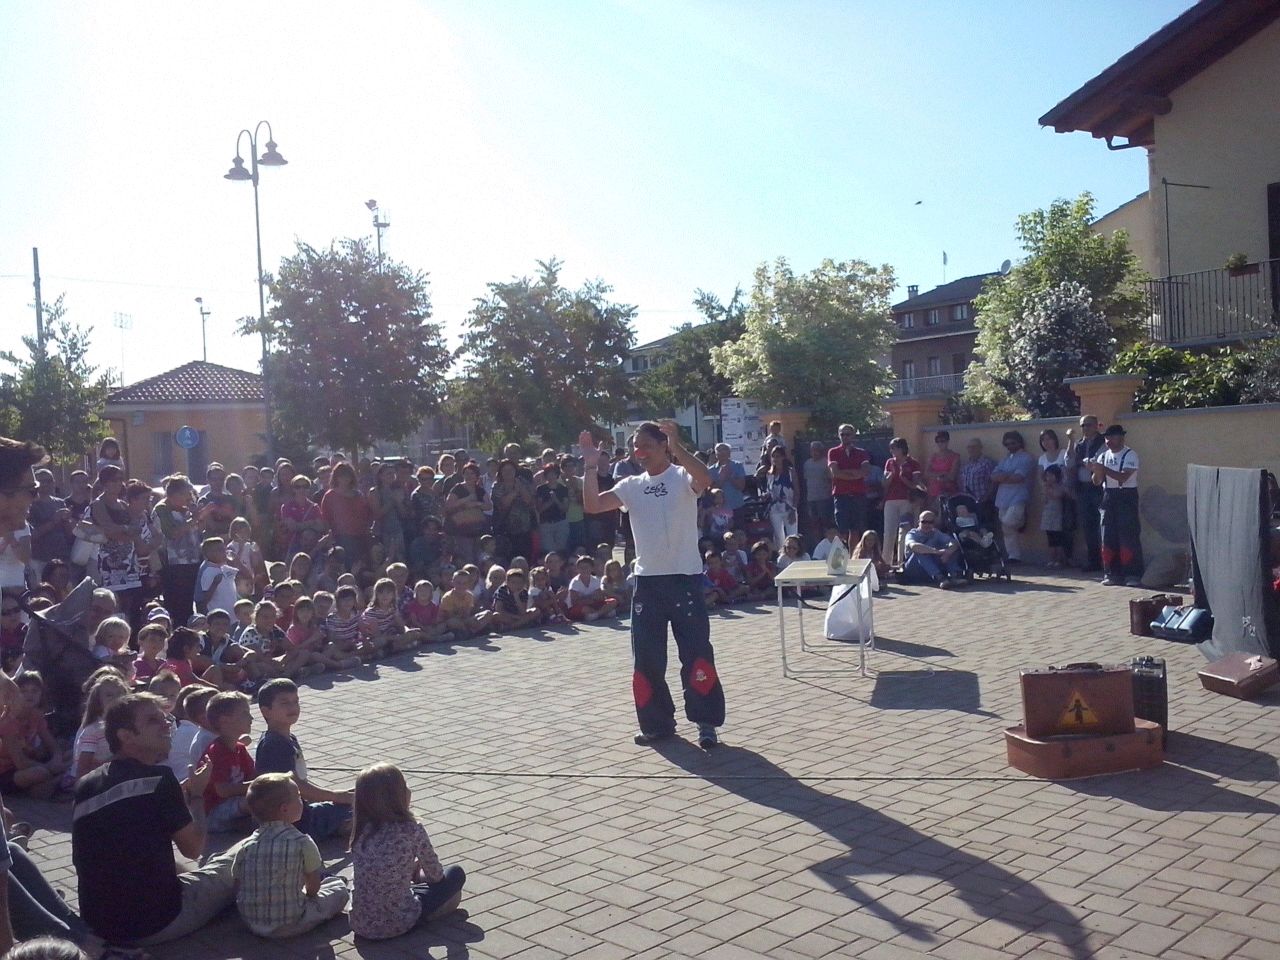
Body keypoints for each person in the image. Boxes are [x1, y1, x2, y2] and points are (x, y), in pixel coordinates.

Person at [581, 421, 724, 749]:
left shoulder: (681, 477)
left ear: (663, 446)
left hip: (685, 579)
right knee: (647, 659)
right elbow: (593, 505)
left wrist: (678, 446)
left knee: (696, 653)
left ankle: (706, 722)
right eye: (636, 446)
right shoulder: (631, 485)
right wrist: (589, 466)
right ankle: (657, 724)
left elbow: (705, 479)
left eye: (647, 445)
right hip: (648, 583)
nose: (640, 452)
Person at [72, 693, 238, 946]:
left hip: (100, 923)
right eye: (153, 721)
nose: (166, 726)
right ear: (125, 736)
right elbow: (194, 848)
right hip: (156, 922)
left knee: (174, 867)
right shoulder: (159, 779)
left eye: (166, 718)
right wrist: (197, 794)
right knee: (240, 855)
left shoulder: (86, 784)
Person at [348, 762, 465, 940]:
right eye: (405, 786)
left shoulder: (361, 829)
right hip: (399, 922)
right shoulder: (412, 829)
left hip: (360, 923)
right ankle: (429, 912)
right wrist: (418, 872)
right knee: (455, 873)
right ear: (397, 797)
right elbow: (436, 876)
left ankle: (412, 882)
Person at [232, 773, 350, 939]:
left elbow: (237, 884)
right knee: (339, 890)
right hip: (293, 921)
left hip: (252, 922)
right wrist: (309, 895)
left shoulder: (245, 846)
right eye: (299, 798)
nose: (303, 802)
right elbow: (313, 887)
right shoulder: (302, 841)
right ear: (285, 809)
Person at [1089, 424, 1144, 587]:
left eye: (1112, 437)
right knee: (1108, 536)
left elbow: (1123, 477)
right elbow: (1096, 481)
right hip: (1108, 496)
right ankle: (1111, 573)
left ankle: (1132, 574)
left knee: (1128, 536)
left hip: (1126, 496)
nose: (1108, 441)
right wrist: (1096, 471)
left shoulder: (1130, 454)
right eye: (1106, 437)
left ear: (1121, 438)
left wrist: (1103, 469)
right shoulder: (1103, 456)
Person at [153, 475, 208, 628]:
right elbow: (172, 533)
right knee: (176, 606)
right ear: (175, 494)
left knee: (188, 605)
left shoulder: (186, 508)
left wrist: (199, 517)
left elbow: (199, 530)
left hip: (192, 561)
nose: (189, 497)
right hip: (173, 565)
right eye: (185, 493)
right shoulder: (162, 509)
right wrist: (194, 518)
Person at [200, 691, 256, 833]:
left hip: (234, 804)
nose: (251, 718)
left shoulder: (239, 748)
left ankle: (244, 824)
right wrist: (259, 785)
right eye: (245, 713)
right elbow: (223, 791)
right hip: (213, 813)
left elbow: (252, 775)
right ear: (225, 721)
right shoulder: (216, 751)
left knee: (273, 791)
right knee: (258, 799)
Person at [1066, 415, 1106, 571]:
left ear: (1096, 426)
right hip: (1082, 488)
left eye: (1088, 425)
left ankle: (1107, 561)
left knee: (1102, 525)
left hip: (1098, 487)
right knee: (1087, 526)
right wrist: (1071, 441)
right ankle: (1093, 561)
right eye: (1083, 426)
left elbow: (1095, 462)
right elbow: (1069, 462)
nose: (1085, 428)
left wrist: (1082, 462)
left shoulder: (1103, 442)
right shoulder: (1079, 444)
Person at [990, 431, 1034, 563]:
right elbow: (993, 476)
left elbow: (1018, 477)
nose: (1009, 446)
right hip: (1002, 499)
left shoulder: (1026, 458)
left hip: (1018, 497)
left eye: (1012, 443)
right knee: (1007, 529)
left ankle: (1021, 522)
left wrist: (1003, 477)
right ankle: (1013, 556)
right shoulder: (1005, 459)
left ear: (1019, 442)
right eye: (1007, 444)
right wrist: (1006, 476)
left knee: (1009, 523)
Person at [882, 438, 923, 568]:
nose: (892, 451)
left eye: (895, 448)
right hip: (891, 500)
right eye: (891, 448)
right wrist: (890, 476)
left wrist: (903, 478)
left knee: (904, 532)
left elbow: (915, 485)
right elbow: (884, 484)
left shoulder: (913, 463)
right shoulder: (889, 462)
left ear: (902, 448)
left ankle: (903, 563)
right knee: (889, 532)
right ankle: (886, 564)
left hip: (907, 500)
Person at [827, 425, 872, 547]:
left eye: (848, 434)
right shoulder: (833, 452)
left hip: (858, 494)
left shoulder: (861, 453)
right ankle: (842, 554)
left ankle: (853, 555)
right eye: (842, 434)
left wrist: (845, 473)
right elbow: (835, 473)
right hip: (841, 495)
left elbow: (865, 471)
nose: (845, 437)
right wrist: (855, 474)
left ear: (853, 436)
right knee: (842, 529)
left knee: (855, 529)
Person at [902, 512, 967, 588]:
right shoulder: (912, 534)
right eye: (924, 522)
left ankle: (955, 576)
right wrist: (936, 552)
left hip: (930, 567)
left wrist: (948, 552)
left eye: (930, 522)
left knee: (948, 548)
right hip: (914, 569)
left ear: (934, 523)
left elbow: (953, 542)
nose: (927, 525)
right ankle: (940, 578)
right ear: (918, 522)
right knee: (921, 551)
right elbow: (914, 546)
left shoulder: (936, 533)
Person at [762, 448, 798, 551]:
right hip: (775, 510)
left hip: (789, 508)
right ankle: (781, 555)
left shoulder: (790, 472)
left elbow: (797, 491)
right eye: (773, 456)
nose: (775, 459)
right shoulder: (769, 474)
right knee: (779, 537)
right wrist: (765, 495)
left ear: (783, 457)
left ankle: (794, 555)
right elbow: (770, 491)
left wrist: (794, 509)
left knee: (792, 536)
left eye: (778, 456)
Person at [534, 464, 571, 557]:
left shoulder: (563, 489)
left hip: (561, 522)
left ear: (557, 474)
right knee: (548, 551)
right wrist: (550, 501)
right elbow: (539, 509)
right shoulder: (541, 489)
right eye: (549, 474)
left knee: (561, 551)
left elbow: (565, 509)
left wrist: (556, 500)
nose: (551, 476)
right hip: (546, 524)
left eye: (553, 474)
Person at [709, 443, 747, 531]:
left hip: (736, 506)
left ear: (729, 453)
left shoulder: (737, 466)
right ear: (716, 454)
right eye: (719, 450)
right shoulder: (711, 470)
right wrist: (722, 478)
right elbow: (710, 490)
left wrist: (730, 477)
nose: (722, 452)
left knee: (739, 532)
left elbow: (741, 486)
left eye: (725, 450)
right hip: (719, 510)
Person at [801, 441, 833, 544]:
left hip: (823, 497)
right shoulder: (807, 464)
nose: (814, 452)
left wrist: (829, 492)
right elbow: (806, 480)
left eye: (817, 450)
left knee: (825, 522)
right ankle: (817, 543)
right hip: (811, 498)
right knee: (814, 523)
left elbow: (831, 480)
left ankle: (827, 542)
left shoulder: (826, 463)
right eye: (812, 450)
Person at [924, 430, 961, 513]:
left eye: (942, 441)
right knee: (931, 515)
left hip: (948, 491)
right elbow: (926, 473)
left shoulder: (955, 456)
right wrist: (942, 474)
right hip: (932, 491)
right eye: (938, 441)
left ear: (947, 441)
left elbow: (952, 476)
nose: (940, 443)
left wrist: (934, 475)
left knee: (945, 515)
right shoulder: (933, 456)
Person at [960, 438, 996, 504]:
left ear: (980, 448)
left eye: (974, 447)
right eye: (969, 447)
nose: (971, 449)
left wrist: (986, 497)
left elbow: (994, 482)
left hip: (983, 501)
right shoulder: (966, 465)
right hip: (968, 501)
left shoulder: (987, 463)